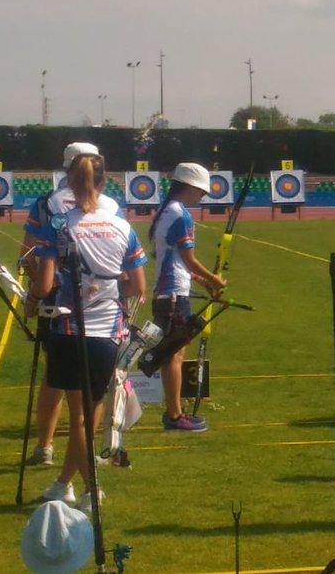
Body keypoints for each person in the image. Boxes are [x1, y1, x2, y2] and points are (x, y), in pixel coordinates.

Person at [29, 152, 147, 511]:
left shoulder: (61, 225)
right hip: (107, 334)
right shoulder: (122, 226)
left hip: (68, 330)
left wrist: (32, 282)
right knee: (87, 415)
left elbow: (45, 283)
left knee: (80, 419)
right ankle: (62, 483)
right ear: (104, 181)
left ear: (69, 180)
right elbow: (137, 287)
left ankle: (90, 491)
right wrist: (104, 291)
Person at [21, 142, 123, 467]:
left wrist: (35, 289)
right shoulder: (112, 206)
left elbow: (28, 253)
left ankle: (45, 447)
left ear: (67, 169)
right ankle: (83, 455)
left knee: (56, 378)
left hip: (56, 303)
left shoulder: (46, 204)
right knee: (92, 393)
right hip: (103, 307)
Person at [149, 163, 226, 432]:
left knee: (174, 352)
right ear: (189, 187)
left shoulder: (165, 212)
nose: (201, 198)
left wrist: (204, 282)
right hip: (172, 294)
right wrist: (214, 279)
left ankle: (175, 413)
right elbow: (190, 260)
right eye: (200, 193)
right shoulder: (180, 216)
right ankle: (174, 415)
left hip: (168, 291)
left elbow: (178, 262)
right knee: (174, 355)